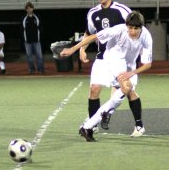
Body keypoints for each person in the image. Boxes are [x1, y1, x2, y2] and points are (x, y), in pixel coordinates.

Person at [60, 11, 153, 141]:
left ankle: (100, 118)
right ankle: (94, 122)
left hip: (130, 66)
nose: (132, 31)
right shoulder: (119, 30)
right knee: (126, 86)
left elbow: (147, 64)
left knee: (129, 91)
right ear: (126, 26)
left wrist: (131, 72)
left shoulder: (146, 37)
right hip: (114, 59)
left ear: (141, 27)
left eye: (135, 28)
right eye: (130, 28)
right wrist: (73, 49)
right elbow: (94, 37)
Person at [80, 0, 131, 130]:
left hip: (119, 58)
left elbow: (135, 28)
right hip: (101, 57)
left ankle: (110, 114)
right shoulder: (93, 13)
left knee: (123, 90)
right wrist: (82, 49)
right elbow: (89, 33)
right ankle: (92, 125)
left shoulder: (122, 10)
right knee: (94, 89)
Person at [22, 1, 45, 74]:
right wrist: (25, 39)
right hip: (27, 41)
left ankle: (41, 69)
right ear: (26, 9)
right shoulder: (24, 19)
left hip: (36, 41)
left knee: (39, 56)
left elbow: (40, 28)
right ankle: (31, 70)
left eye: (30, 8)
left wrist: (38, 36)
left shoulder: (37, 17)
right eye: (28, 8)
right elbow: (22, 29)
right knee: (29, 57)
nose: (29, 9)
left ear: (33, 9)